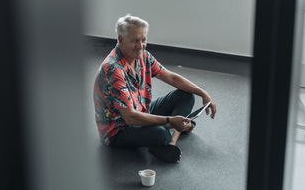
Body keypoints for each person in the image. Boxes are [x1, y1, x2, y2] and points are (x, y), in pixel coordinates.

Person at [93, 14, 217, 163]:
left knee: (187, 95)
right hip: (119, 129)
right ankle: (173, 134)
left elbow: (171, 77)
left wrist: (202, 92)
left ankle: (170, 141)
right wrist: (170, 121)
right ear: (120, 39)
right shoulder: (113, 69)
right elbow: (130, 117)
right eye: (135, 41)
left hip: (142, 110)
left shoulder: (143, 56)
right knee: (160, 134)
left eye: (143, 40)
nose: (140, 46)